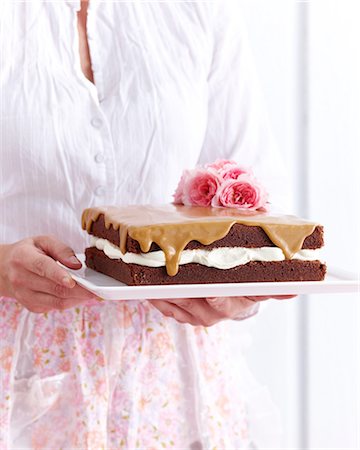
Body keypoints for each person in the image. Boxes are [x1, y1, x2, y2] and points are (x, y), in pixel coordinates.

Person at [0, 1, 293, 448]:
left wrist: (239, 294)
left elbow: (256, 188)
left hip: (172, 379)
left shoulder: (198, 9)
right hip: (16, 370)